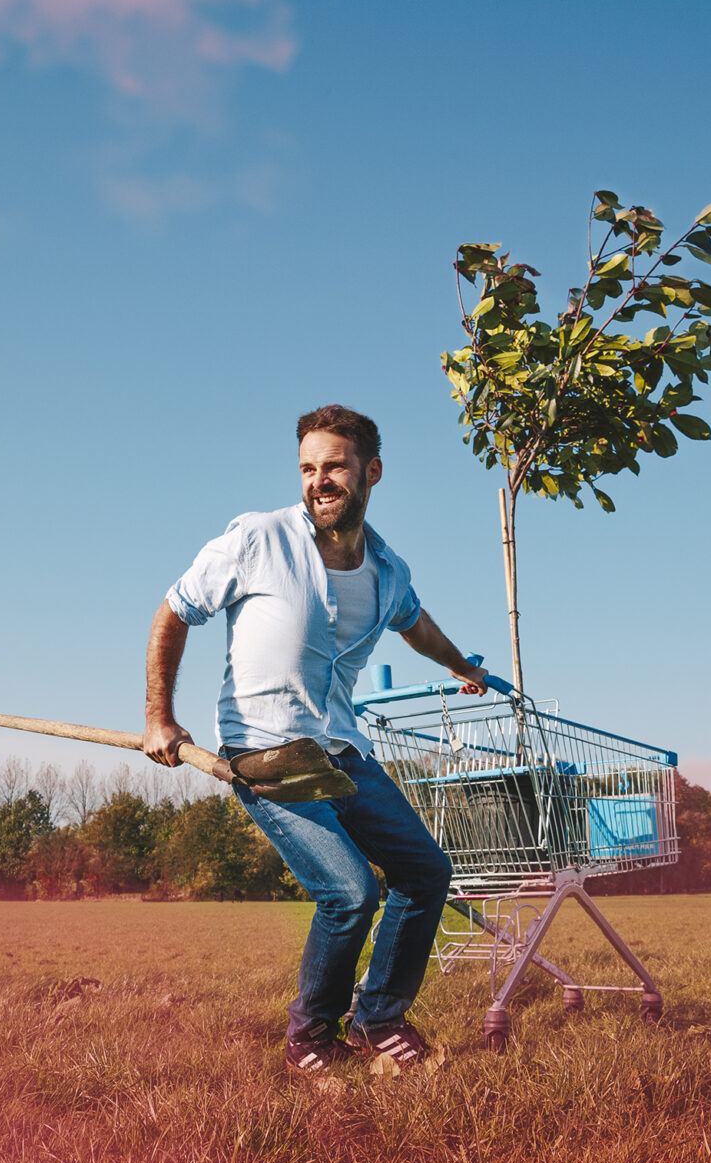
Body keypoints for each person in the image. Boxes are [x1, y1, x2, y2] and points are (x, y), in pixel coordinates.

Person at [143, 404, 487, 1072]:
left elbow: (415, 624)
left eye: (334, 466)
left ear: (371, 471)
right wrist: (161, 717)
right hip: (266, 755)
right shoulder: (257, 539)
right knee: (351, 893)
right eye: (307, 467)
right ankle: (311, 1037)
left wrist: (459, 666)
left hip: (342, 753)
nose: (319, 480)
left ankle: (378, 1017)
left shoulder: (388, 570)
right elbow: (173, 612)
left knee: (426, 872)